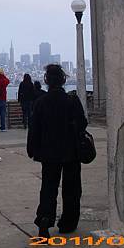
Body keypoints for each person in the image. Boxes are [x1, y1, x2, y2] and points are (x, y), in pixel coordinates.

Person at [27, 64, 88, 238]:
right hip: (71, 151)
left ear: (47, 80)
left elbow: (34, 128)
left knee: (48, 187)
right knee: (72, 188)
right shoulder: (72, 100)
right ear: (63, 80)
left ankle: (45, 219)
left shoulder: (40, 102)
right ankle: (68, 222)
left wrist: (32, 148)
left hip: (49, 153)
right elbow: (82, 123)